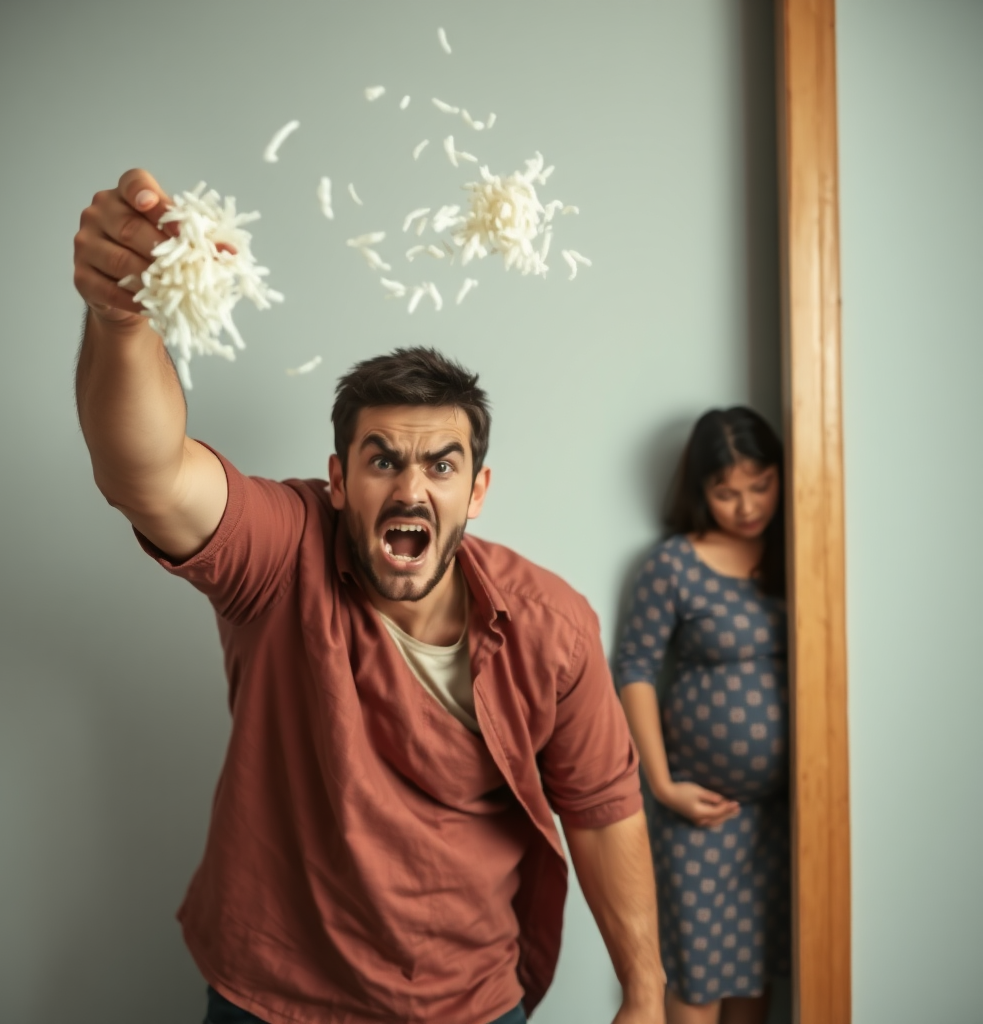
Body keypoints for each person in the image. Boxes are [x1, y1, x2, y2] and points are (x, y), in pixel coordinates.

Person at [72, 169, 666, 1024]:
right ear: (339, 480)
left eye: (442, 464)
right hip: (271, 999)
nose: (412, 488)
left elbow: (603, 808)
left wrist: (645, 995)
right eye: (384, 459)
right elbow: (150, 476)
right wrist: (120, 318)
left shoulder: (551, 627)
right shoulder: (283, 554)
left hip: (468, 1004)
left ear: (479, 489)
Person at [615, 409, 790, 1024]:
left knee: (757, 968)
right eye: (726, 493)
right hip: (698, 813)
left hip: (781, 816)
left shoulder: (800, 559)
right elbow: (634, 668)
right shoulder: (673, 565)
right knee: (697, 976)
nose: (746, 507)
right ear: (701, 491)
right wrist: (663, 787)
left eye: (760, 486)